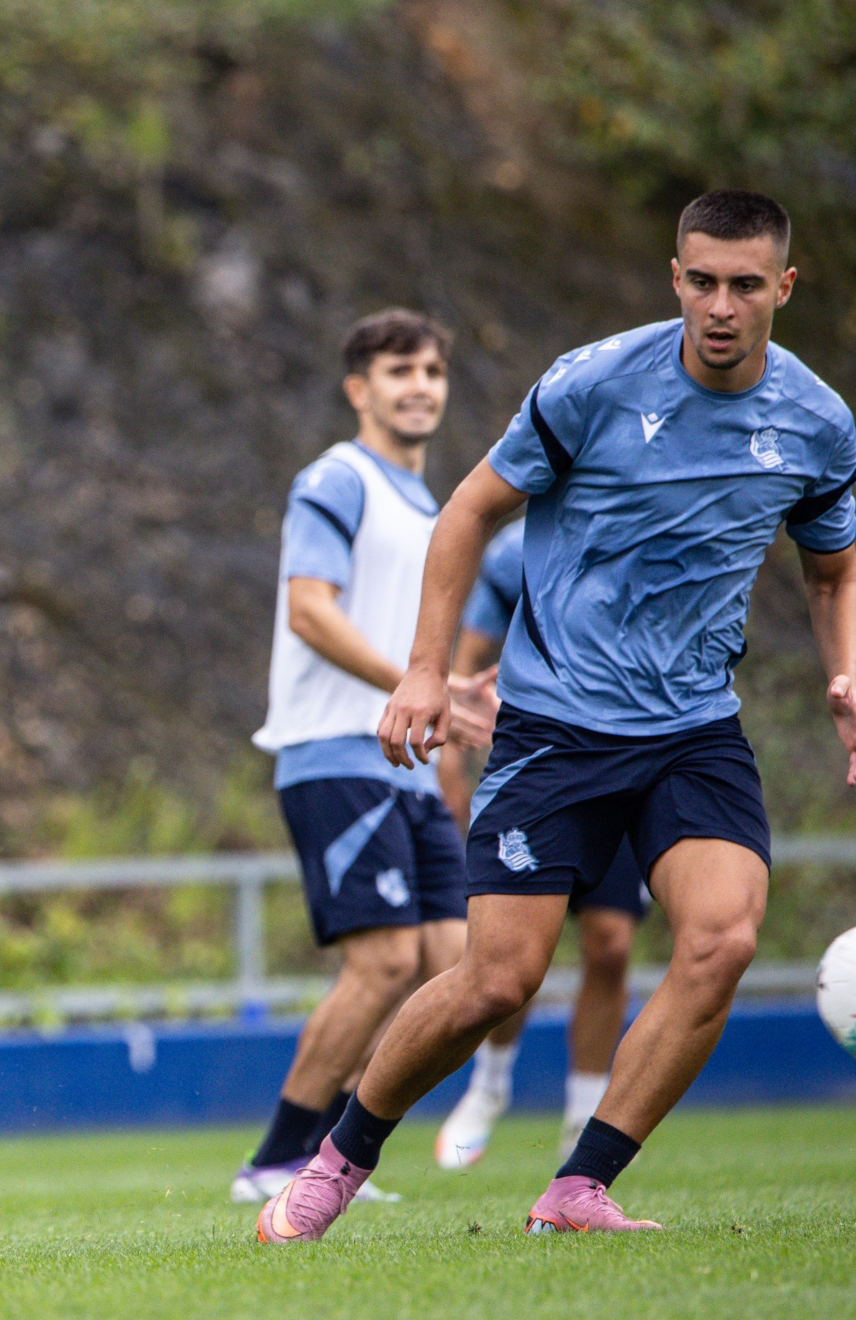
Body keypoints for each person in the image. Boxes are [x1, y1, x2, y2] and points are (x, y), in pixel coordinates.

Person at [258, 189, 856, 1244]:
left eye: (746, 285)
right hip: (555, 722)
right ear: (675, 279)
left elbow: (831, 570)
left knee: (721, 940)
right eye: (703, 281)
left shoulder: (816, 422)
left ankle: (578, 1186)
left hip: (692, 728)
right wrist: (426, 673)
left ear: (783, 288)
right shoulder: (592, 384)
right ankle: (338, 1159)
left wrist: (846, 679)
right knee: (498, 978)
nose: (722, 305)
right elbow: (470, 513)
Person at [235, 310, 497, 1205]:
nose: (419, 385)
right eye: (398, 372)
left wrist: (454, 698)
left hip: (408, 763)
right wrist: (418, 683)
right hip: (333, 751)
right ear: (360, 390)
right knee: (383, 960)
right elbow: (310, 608)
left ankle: (334, 1150)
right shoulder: (338, 479)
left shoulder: (434, 506)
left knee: (453, 963)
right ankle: (277, 1160)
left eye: (431, 370)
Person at [432, 519, 649, 1168]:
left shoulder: (651, 522)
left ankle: (584, 1116)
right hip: (537, 765)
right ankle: (490, 1088)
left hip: (629, 756)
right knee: (514, 956)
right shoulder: (514, 550)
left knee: (611, 943)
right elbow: (468, 659)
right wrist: (450, 756)